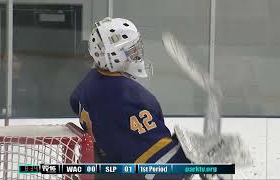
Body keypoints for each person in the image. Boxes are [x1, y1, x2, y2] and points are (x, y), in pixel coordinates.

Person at [70, 17, 194, 180]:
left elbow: (74, 100)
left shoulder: (91, 81)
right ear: (112, 56)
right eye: (131, 50)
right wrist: (190, 160)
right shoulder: (128, 98)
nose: (137, 54)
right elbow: (159, 170)